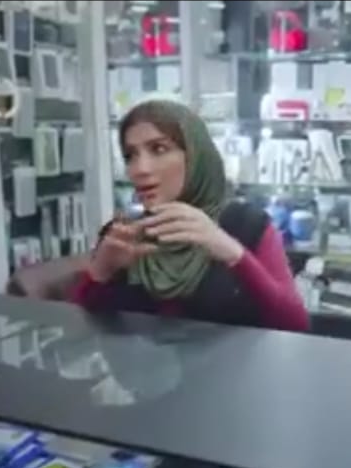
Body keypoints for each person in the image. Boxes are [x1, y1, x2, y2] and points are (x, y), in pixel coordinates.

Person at [71, 100, 310, 332]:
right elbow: (81, 329)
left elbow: (294, 324)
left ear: (195, 155)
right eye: (130, 155)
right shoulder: (124, 234)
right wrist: (100, 271)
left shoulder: (246, 225)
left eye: (158, 149)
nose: (140, 169)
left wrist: (231, 251)